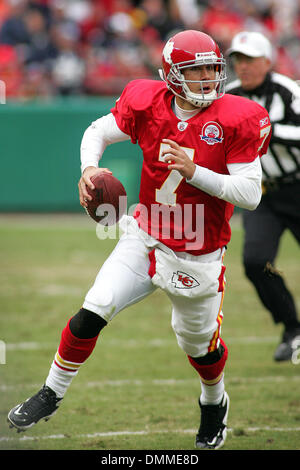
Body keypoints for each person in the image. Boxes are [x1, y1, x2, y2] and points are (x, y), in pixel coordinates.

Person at [7, 30, 271, 450]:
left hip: (198, 253)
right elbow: (97, 130)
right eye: (194, 69)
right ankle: (51, 392)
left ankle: (214, 402)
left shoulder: (237, 117)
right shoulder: (147, 102)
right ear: (169, 74)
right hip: (144, 234)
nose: (206, 78)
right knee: (93, 309)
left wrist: (193, 170)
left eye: (210, 68)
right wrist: (89, 169)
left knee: (199, 348)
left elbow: (251, 195)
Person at [226, 31, 300, 362]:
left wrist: (267, 126)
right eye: (238, 60)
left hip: (298, 188)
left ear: (268, 62)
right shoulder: (228, 96)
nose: (243, 66)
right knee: (257, 263)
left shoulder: (287, 91)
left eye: (250, 59)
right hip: (261, 194)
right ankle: (292, 329)